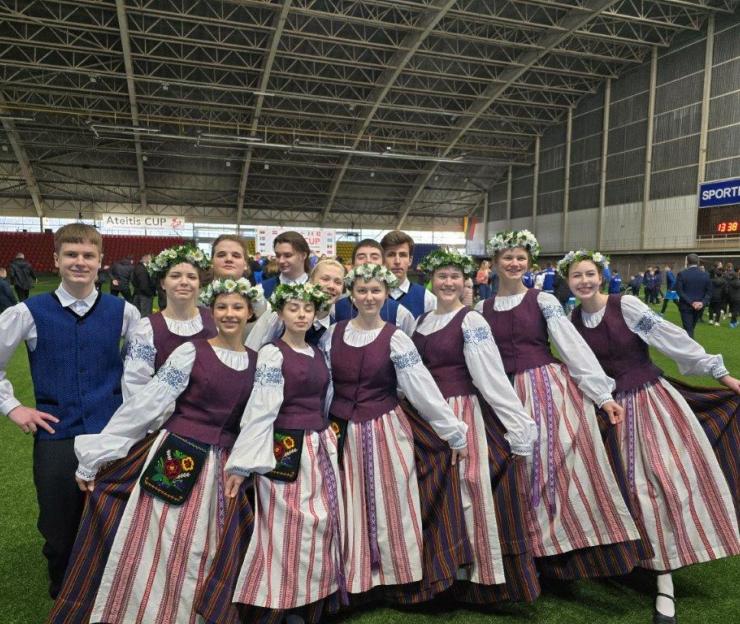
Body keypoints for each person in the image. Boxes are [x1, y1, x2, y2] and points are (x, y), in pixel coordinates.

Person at [48, 278, 259, 623]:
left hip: (221, 465)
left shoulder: (257, 361)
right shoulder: (192, 351)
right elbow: (147, 405)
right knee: (159, 541)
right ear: (212, 310)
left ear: (250, 312)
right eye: (222, 306)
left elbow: (255, 420)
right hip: (176, 454)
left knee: (205, 546)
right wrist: (98, 455)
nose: (229, 314)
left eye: (237, 307)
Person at [563, 249, 740, 624]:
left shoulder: (625, 305)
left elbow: (670, 339)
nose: (584, 281)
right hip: (610, 411)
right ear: (568, 282)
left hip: (650, 401)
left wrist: (723, 376)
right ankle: (637, 559)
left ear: (602, 275)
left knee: (661, 482)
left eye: (589, 274)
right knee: (623, 489)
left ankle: (665, 581)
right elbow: (579, 370)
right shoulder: (572, 319)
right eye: (576, 276)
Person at [477, 232, 643, 581]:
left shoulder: (542, 300)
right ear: (494, 262)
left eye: (520, 257)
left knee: (551, 468)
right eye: (507, 256)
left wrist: (603, 395)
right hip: (501, 395)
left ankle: (558, 550)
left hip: (543, 388)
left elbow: (571, 346)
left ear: (529, 262)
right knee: (516, 473)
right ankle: (524, 549)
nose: (514, 263)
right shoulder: (482, 310)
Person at [0, 223, 140, 599]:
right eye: (72, 255)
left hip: (110, 435)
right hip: (56, 434)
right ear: (58, 260)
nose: (80, 262)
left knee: (112, 517)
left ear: (101, 262)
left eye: (88, 255)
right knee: (58, 523)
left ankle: (112, 591)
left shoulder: (123, 312)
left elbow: (143, 369)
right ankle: (64, 591)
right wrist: (14, 408)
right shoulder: (28, 312)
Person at [320, 263, 468, 598]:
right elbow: (327, 386)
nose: (369, 297)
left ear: (386, 294)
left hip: (386, 427)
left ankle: (396, 574)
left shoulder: (396, 338)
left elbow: (420, 387)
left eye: (375, 291)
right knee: (348, 500)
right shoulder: (334, 334)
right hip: (342, 431)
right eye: (362, 291)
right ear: (351, 295)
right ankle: (356, 577)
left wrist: (452, 431)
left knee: (392, 498)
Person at [409, 248, 538, 604]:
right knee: (433, 490)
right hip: (426, 415)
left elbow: (491, 377)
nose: (448, 283)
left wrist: (517, 423)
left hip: (462, 411)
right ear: (431, 281)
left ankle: (474, 573)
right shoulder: (421, 321)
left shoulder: (471, 322)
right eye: (442, 277)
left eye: (455, 277)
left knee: (468, 486)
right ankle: (441, 567)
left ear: (465, 281)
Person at [223, 283, 346, 622]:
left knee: (320, 523)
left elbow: (326, 398)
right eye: (293, 308)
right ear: (280, 313)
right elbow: (261, 407)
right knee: (283, 525)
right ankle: (277, 603)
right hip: (284, 448)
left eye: (307, 308)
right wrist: (242, 463)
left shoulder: (319, 351)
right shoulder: (272, 353)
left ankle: (309, 599)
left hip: (318, 445)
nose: (302, 314)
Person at [123, 244, 215, 397]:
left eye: (191, 277)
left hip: (210, 414)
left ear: (199, 284)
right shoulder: (147, 329)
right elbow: (135, 384)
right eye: (175, 276)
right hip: (161, 415)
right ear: (162, 283)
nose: (184, 282)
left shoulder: (213, 321)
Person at [246, 258, 346, 350]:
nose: (331, 286)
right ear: (310, 282)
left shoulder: (335, 327)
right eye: (325, 279)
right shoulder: (280, 316)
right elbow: (252, 351)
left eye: (338, 282)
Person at [333, 239, 416, 335]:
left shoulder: (401, 313)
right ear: (352, 266)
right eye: (361, 257)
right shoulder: (335, 309)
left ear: (384, 266)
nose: (368, 261)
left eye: (374, 257)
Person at [381, 230, 436, 318]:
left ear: (410, 260)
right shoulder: (371, 297)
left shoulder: (427, 299)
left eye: (402, 255)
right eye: (391, 255)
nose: (397, 261)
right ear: (383, 260)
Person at [258, 231, 311, 301]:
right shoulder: (263, 289)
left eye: (288, 255)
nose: (281, 261)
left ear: (303, 255)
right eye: (278, 255)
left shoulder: (318, 288)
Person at [675, 254, 712, 338]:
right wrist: (702, 302)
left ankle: (690, 349)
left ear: (687, 262)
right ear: (698, 262)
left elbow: (679, 291)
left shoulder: (682, 274)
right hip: (698, 306)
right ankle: (688, 347)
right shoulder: (706, 275)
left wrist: (693, 302)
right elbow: (709, 292)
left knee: (689, 329)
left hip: (687, 305)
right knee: (690, 328)